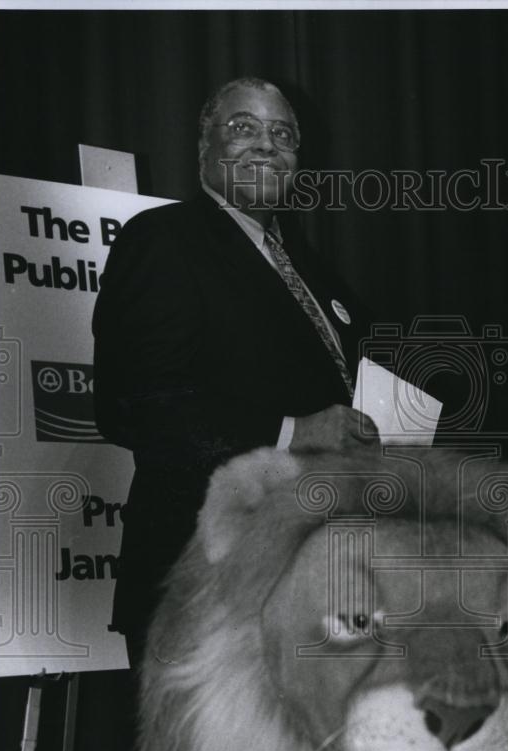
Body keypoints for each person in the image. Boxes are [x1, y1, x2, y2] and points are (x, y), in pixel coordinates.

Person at [93, 76, 378, 666]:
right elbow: (136, 404)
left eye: (283, 135)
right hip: (204, 582)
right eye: (243, 127)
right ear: (205, 150)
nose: (267, 145)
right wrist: (294, 433)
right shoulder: (164, 240)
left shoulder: (316, 277)